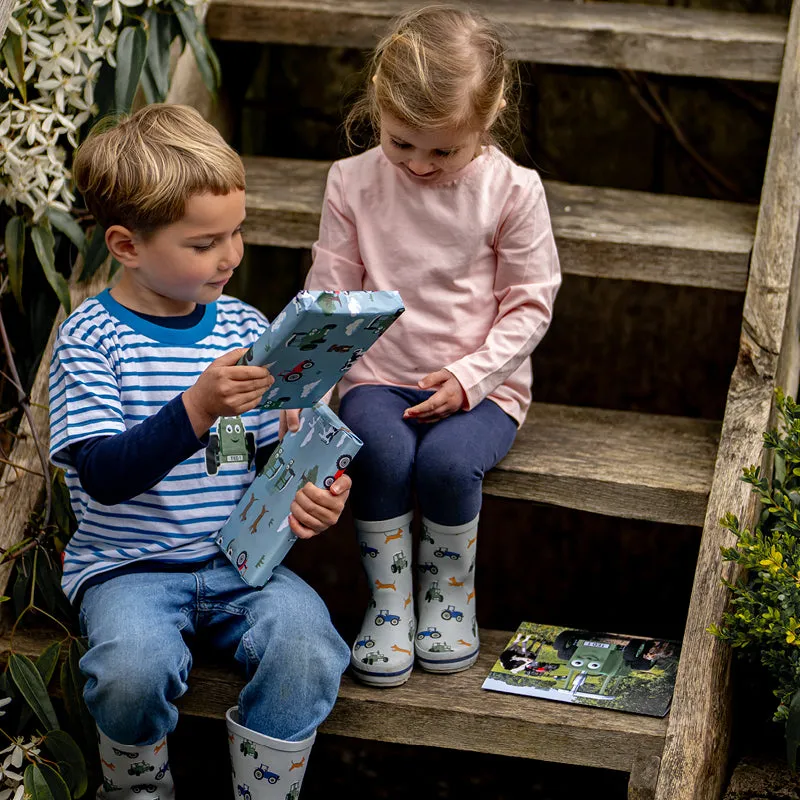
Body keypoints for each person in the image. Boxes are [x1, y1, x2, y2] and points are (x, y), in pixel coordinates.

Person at [49, 104, 351, 800]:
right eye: (204, 242)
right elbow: (103, 476)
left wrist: (316, 489)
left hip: (241, 563)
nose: (231, 255)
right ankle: (137, 791)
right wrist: (196, 407)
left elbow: (268, 453)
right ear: (126, 246)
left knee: (307, 644)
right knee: (131, 670)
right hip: (132, 569)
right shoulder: (93, 340)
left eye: (237, 232)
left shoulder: (246, 326)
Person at [291, 4, 561, 687]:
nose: (418, 164)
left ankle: (448, 601)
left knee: (445, 465)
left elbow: (530, 304)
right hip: (378, 374)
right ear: (378, 104)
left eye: (443, 151)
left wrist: (472, 378)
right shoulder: (351, 183)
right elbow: (331, 294)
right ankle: (390, 605)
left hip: (483, 386)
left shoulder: (512, 191)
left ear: (492, 110)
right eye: (399, 142)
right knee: (380, 451)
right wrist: (310, 386)